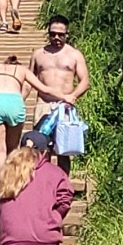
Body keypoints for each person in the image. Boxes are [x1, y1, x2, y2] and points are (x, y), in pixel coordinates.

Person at [28, 16, 91, 174]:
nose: (56, 37)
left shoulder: (75, 55)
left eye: (60, 34)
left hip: (65, 107)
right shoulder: (38, 54)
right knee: (41, 149)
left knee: (64, 150)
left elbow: (85, 81)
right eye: (53, 34)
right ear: (48, 33)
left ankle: (63, 187)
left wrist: (73, 97)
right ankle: (43, 187)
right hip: (43, 105)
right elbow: (28, 80)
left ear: (67, 34)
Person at [0, 52, 33, 172]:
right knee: (13, 148)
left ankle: (1, 182)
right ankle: (13, 181)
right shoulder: (21, 71)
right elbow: (27, 87)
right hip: (15, 104)